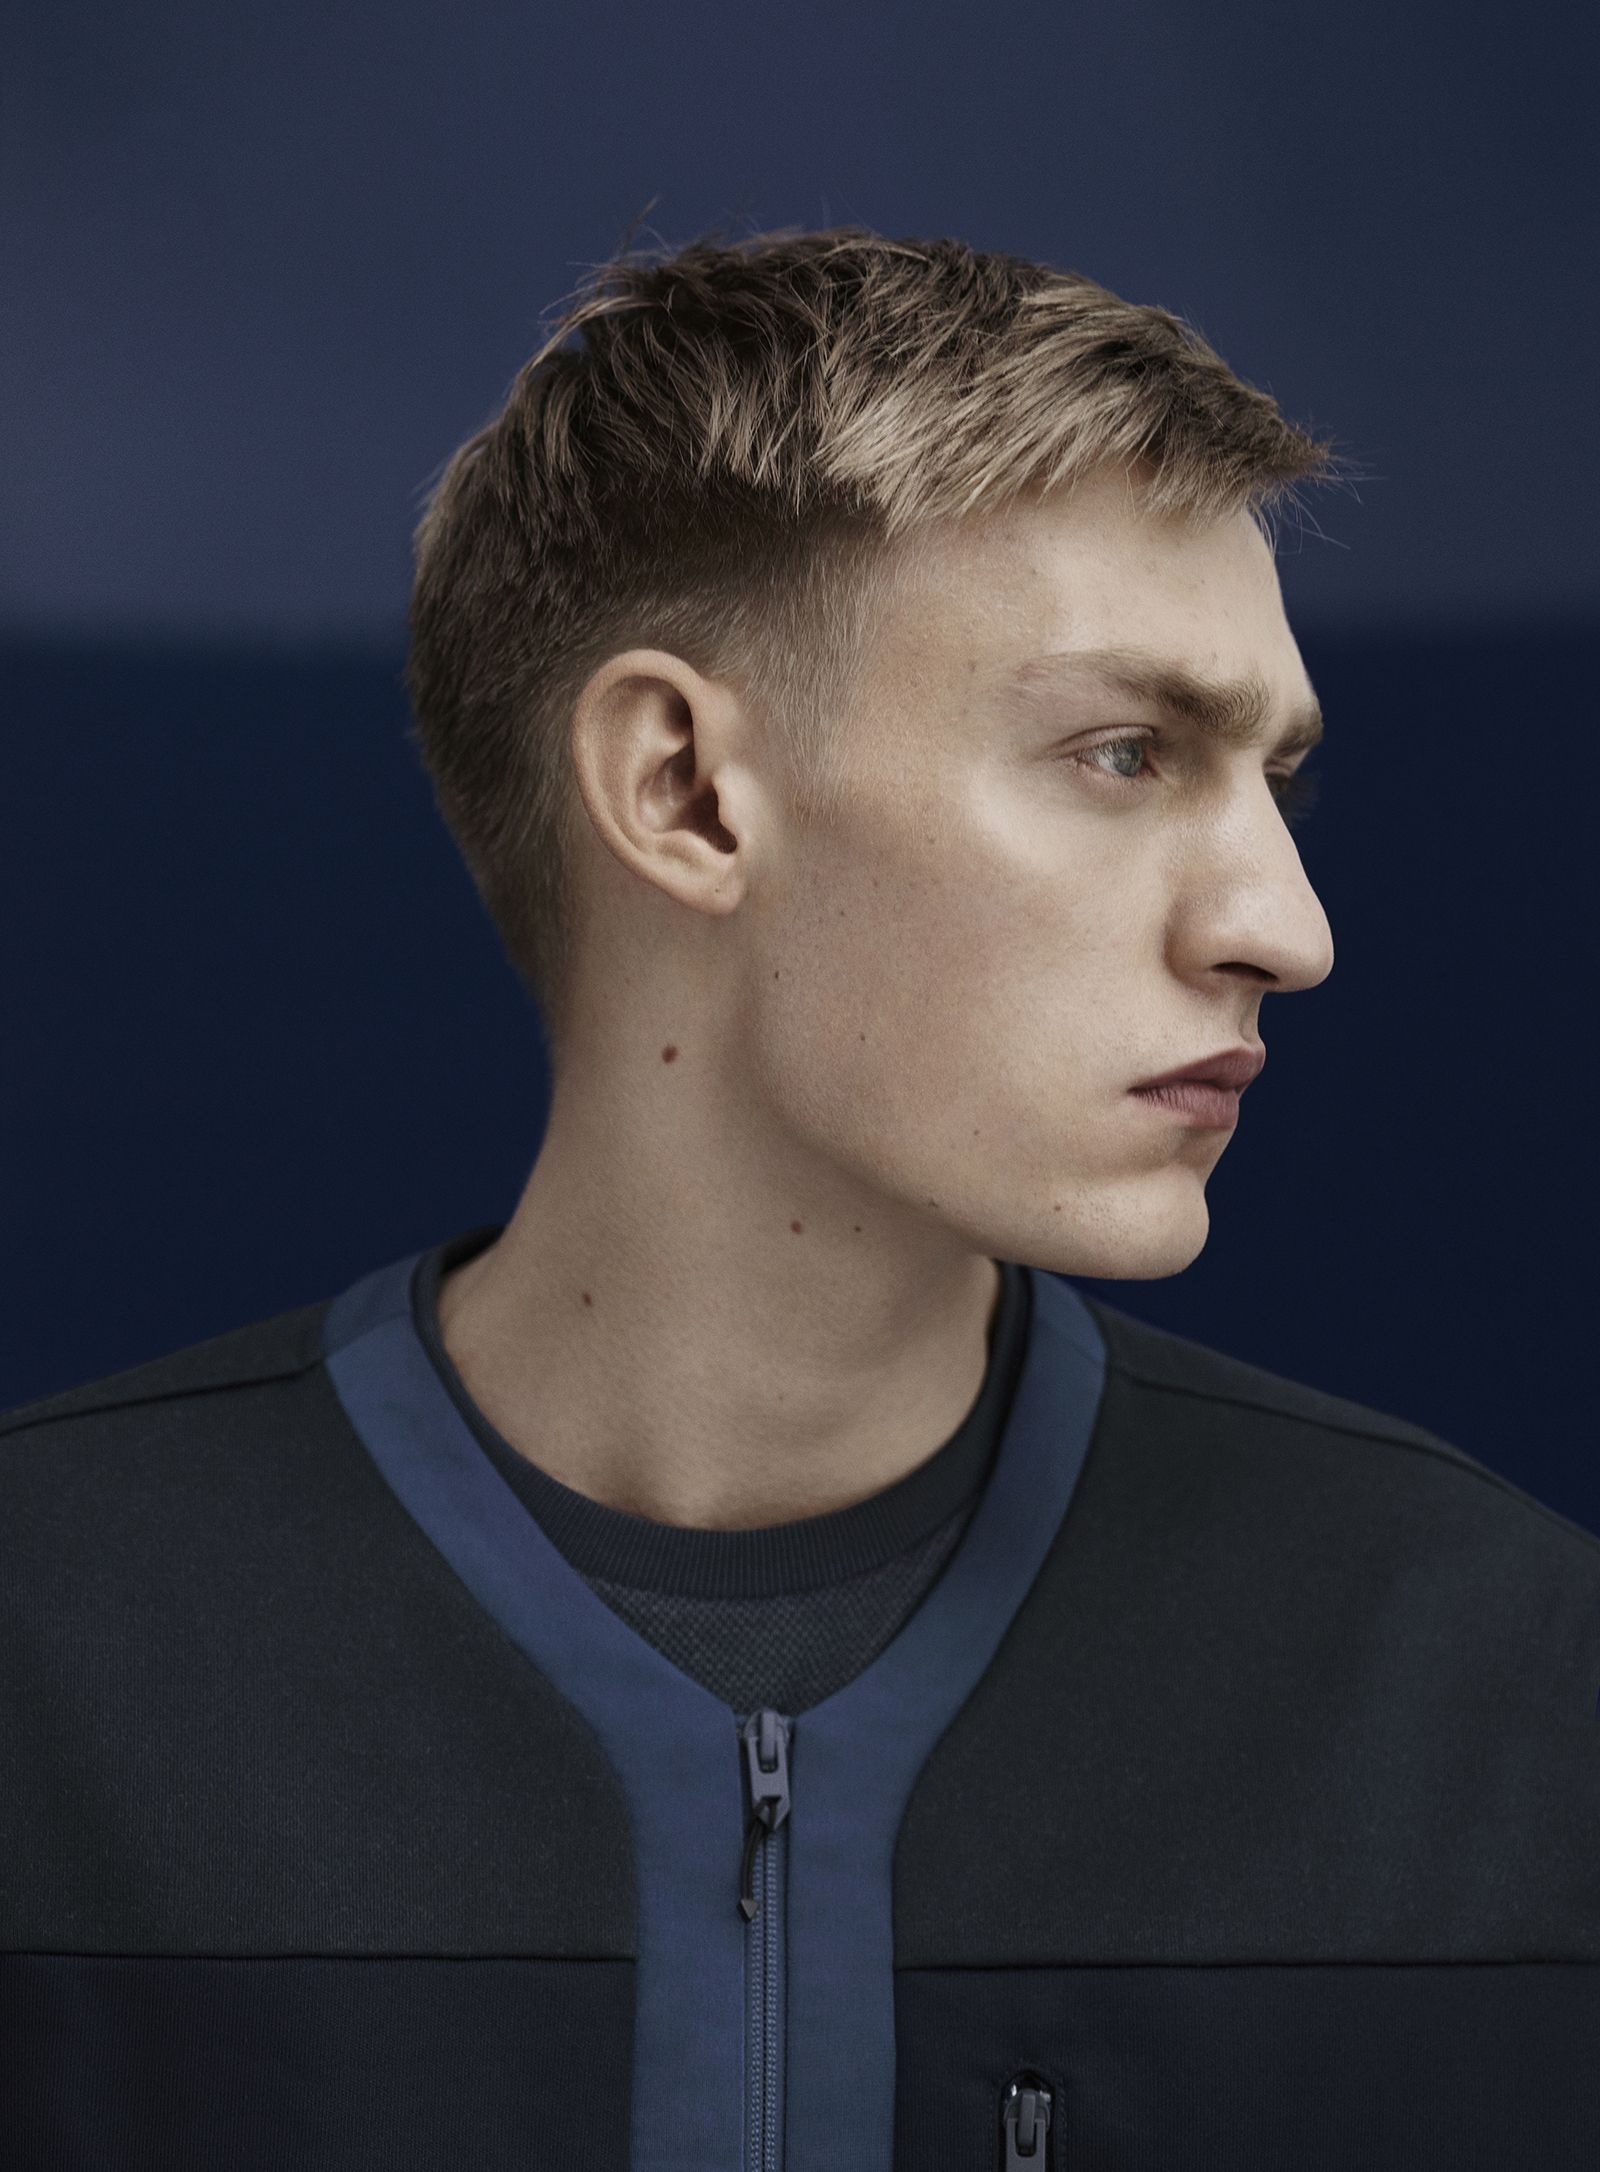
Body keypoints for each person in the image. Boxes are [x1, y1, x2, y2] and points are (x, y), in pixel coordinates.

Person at [2, 226, 1595, 2172]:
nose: (1287, 925)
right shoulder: (43, 1666)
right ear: (681, 789)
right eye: (1124, 752)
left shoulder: (1499, 1687)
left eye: (1277, 780)